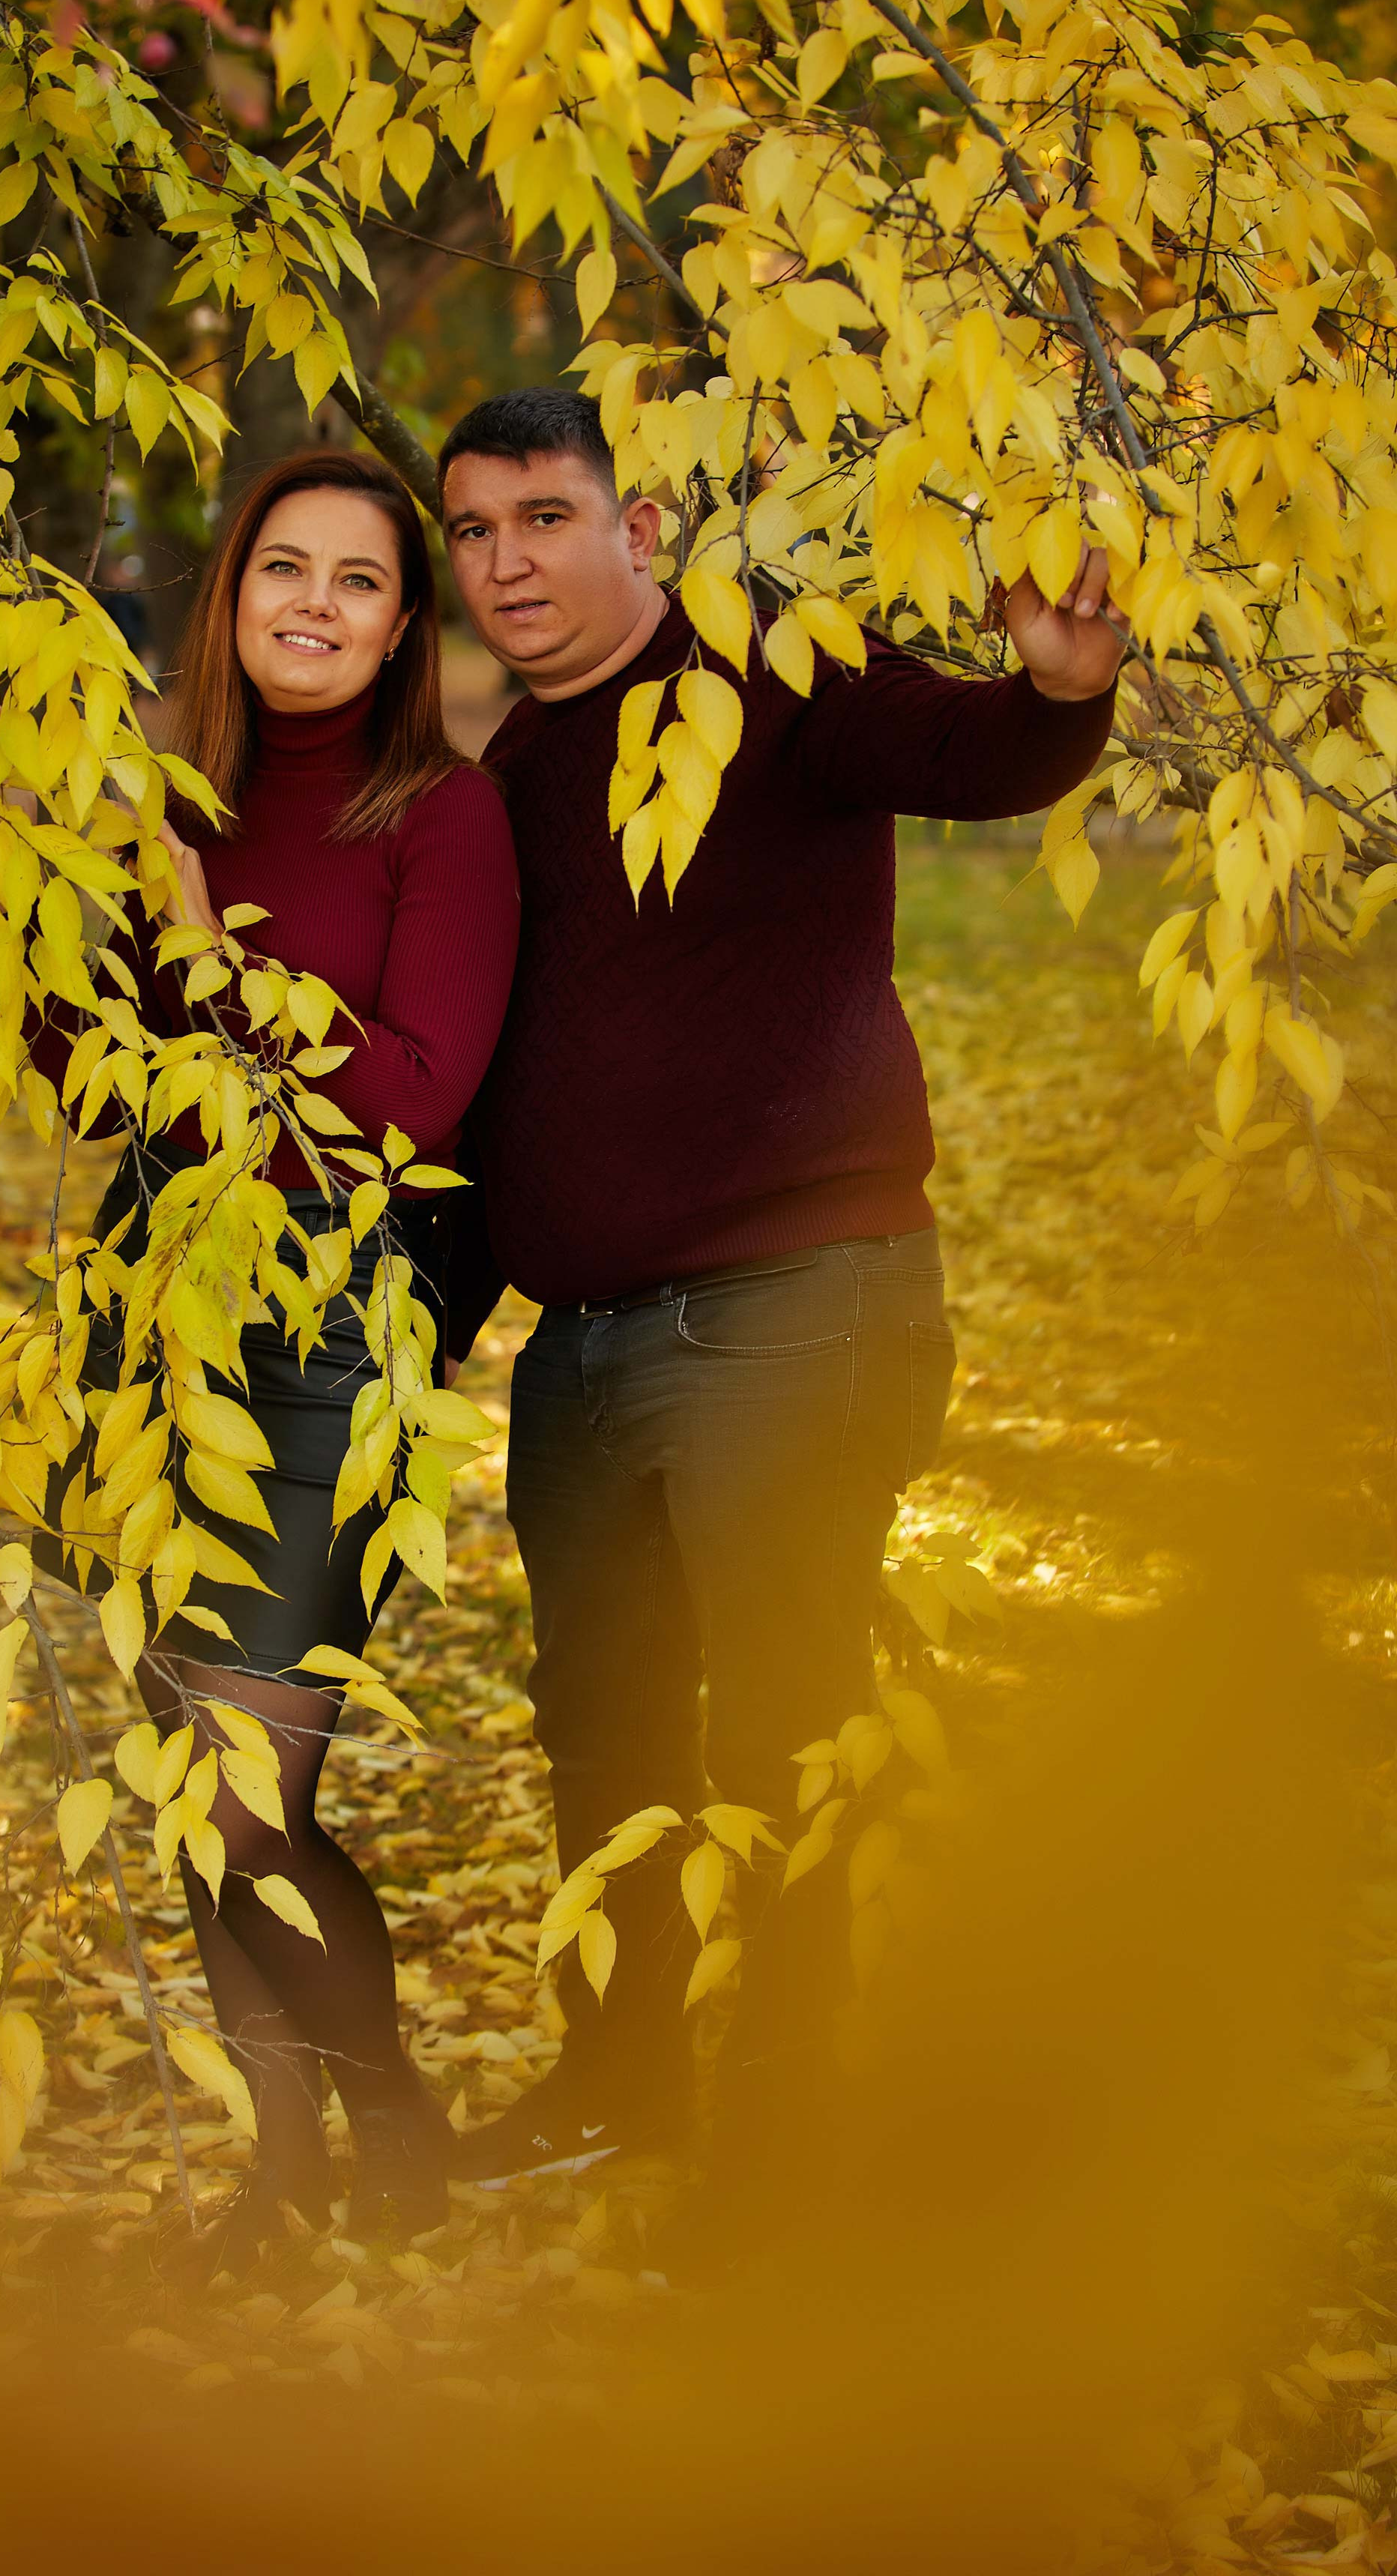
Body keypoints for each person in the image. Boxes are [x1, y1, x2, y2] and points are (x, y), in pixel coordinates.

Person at [432, 387, 1121, 2253]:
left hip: (794, 1310)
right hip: (585, 1349)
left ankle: (794, 2139)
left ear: (637, 527)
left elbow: (971, 750)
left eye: (544, 518)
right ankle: (624, 2081)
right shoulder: (517, 762)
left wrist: (1060, 694)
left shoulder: (770, 664)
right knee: (605, 1730)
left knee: (784, 1736)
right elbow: (513, 1071)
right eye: (475, 530)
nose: (507, 563)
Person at [21, 450, 519, 2257]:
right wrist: (45, 904)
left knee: (249, 1797)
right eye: (282, 568)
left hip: (334, 1324)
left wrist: (194, 936)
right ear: (231, 595)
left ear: (401, 627)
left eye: (358, 579)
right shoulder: (170, 805)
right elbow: (92, 1082)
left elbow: (404, 1106)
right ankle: (283, 2173)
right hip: (156, 1313)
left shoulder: (443, 817)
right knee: (192, 1783)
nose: (314, 604)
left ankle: (398, 2133)